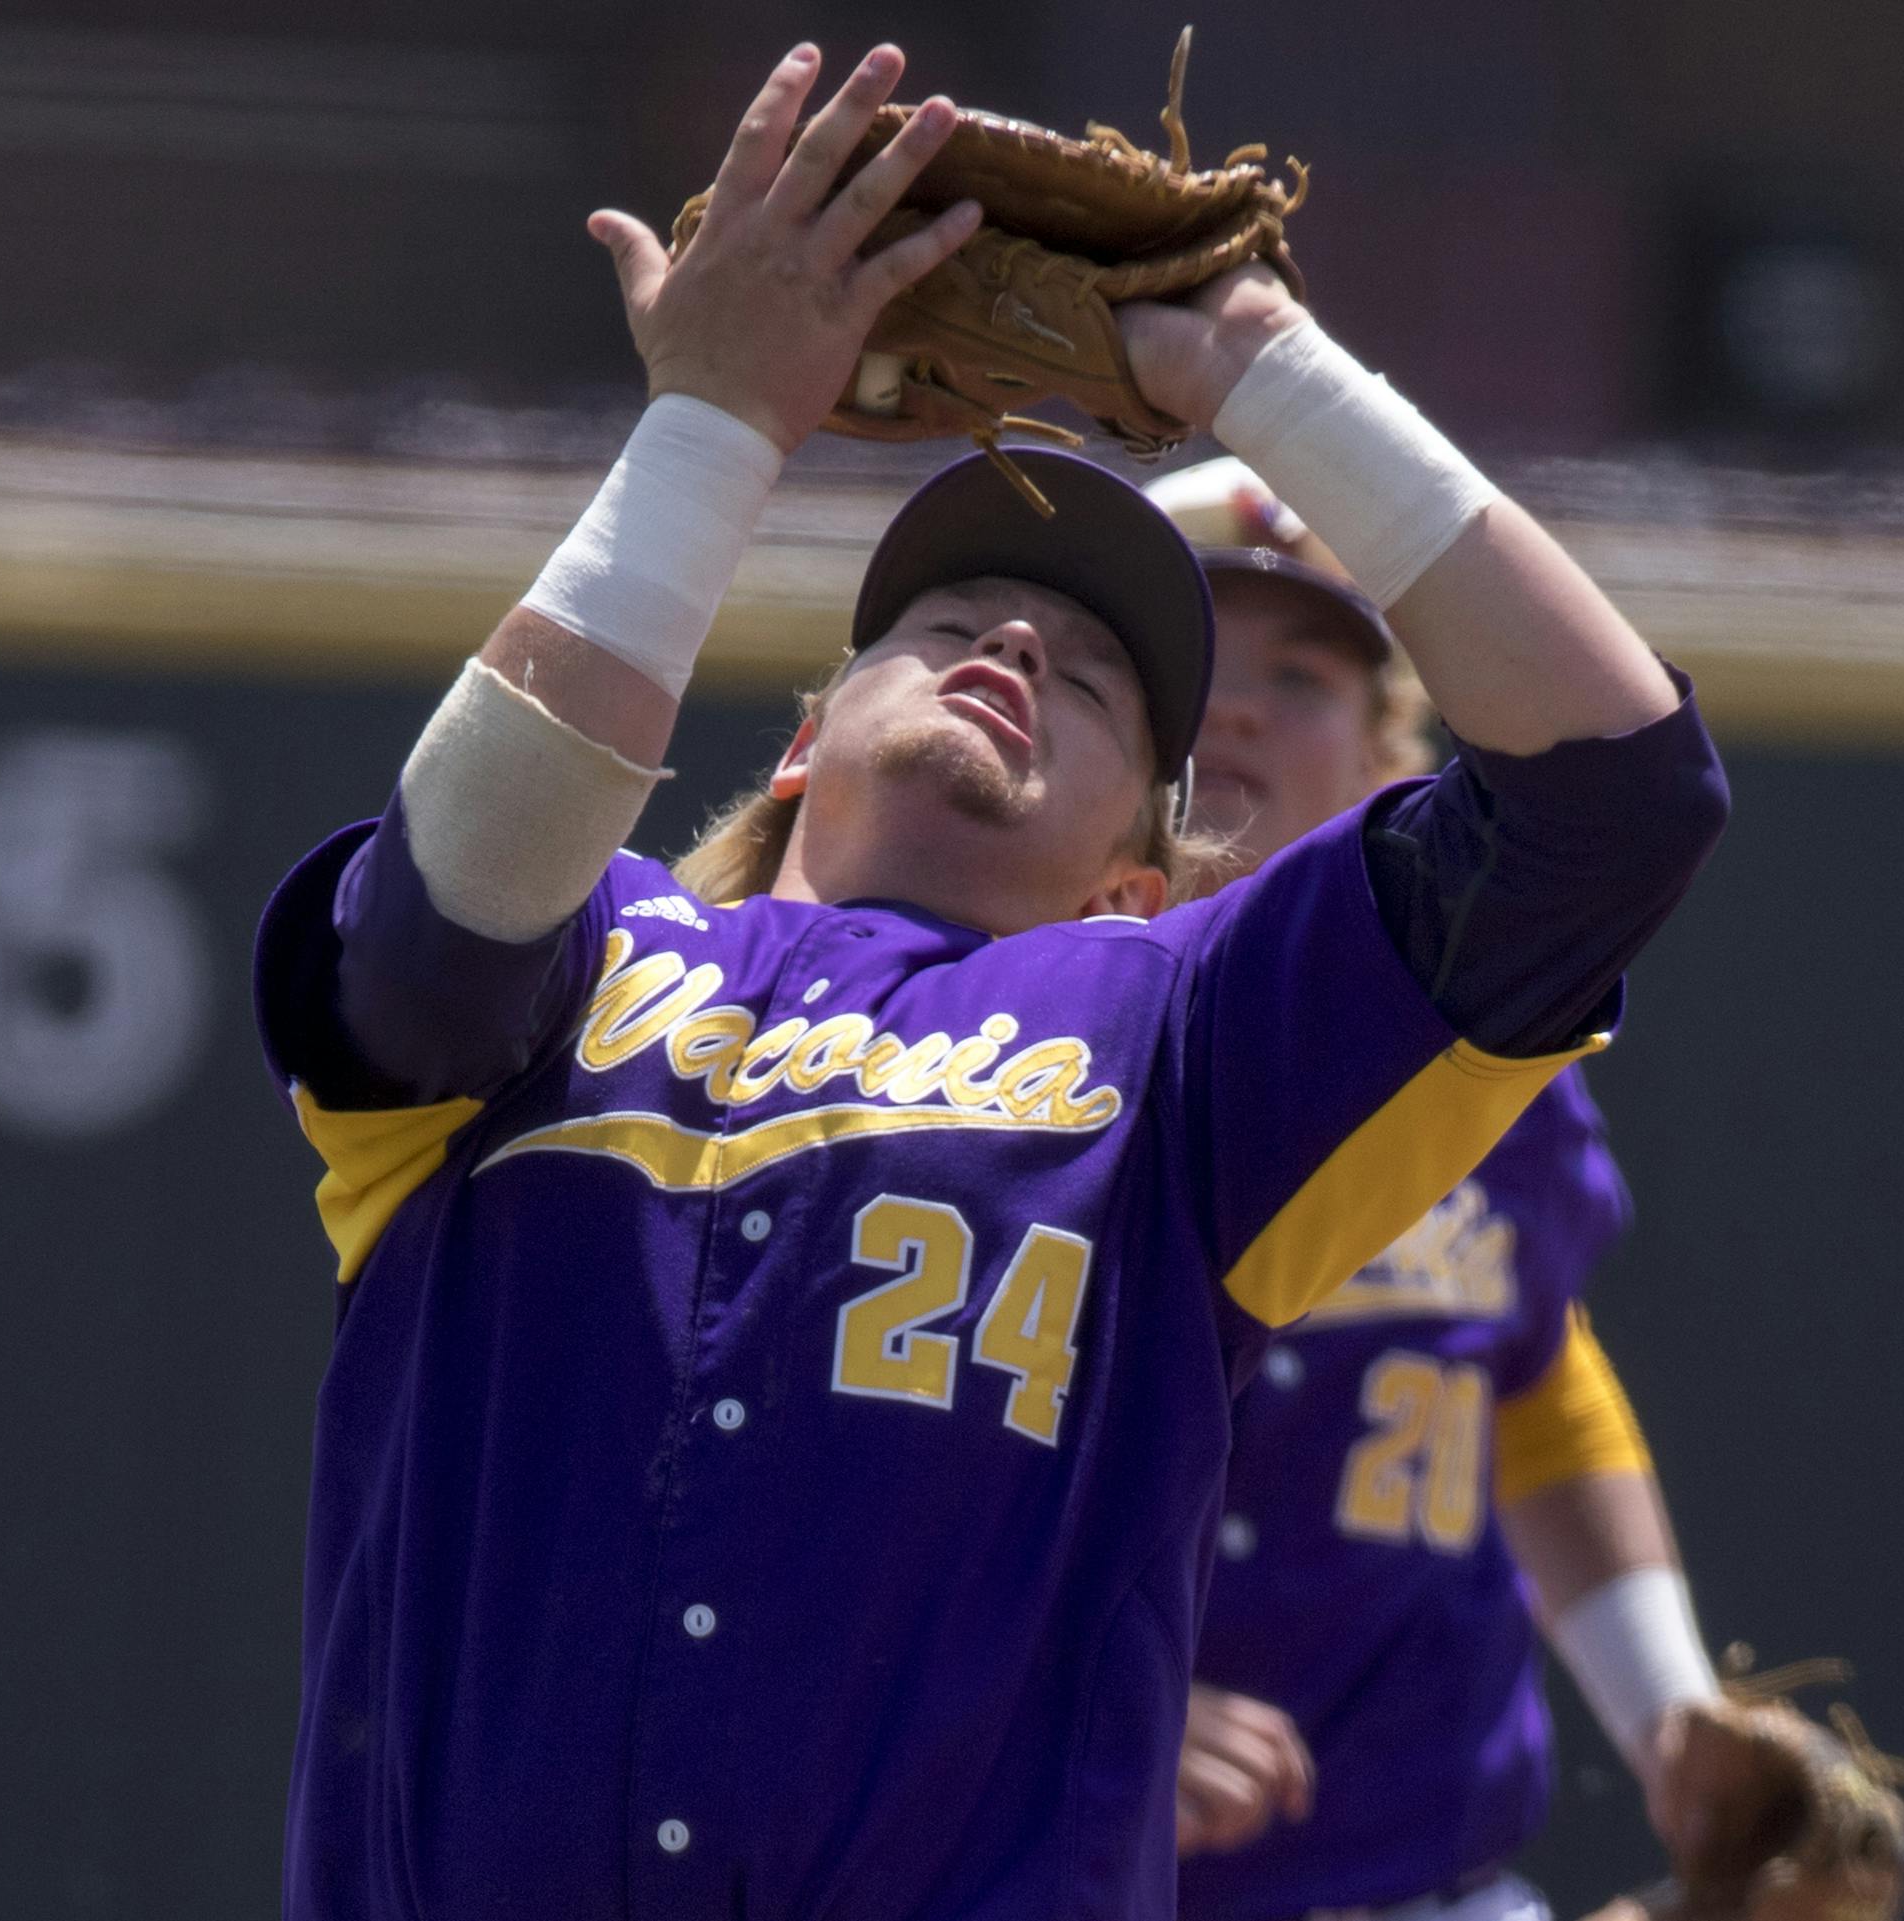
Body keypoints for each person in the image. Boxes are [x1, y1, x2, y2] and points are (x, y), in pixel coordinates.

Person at [251, 42, 1727, 1921]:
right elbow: (439, 922)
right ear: (800, 741)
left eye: (1097, 682)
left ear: (1141, 868)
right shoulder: (575, 953)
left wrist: (1255, 362)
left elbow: (1616, 795)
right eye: (952, 619)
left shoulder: (1181, 1041)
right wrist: (713, 426)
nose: (1019, 636)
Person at [1149, 460, 1732, 1921]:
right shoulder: (978, 1034)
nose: (1238, 706)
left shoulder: (1475, 1055)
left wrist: (1671, 1718)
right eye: (1195, 659)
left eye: (1304, 672)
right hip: (1070, 1867)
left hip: (1431, 1877)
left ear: (1383, 758)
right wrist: (1053, 1721)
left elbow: (1528, 1370)